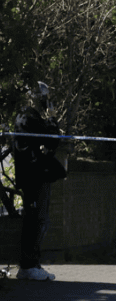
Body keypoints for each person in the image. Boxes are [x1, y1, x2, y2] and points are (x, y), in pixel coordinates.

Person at [12, 88, 65, 281]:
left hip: (34, 174)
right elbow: (51, 138)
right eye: (44, 99)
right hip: (34, 175)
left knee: (39, 218)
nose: (45, 103)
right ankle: (28, 265)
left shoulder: (27, 117)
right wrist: (52, 119)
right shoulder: (27, 117)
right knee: (36, 219)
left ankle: (32, 263)